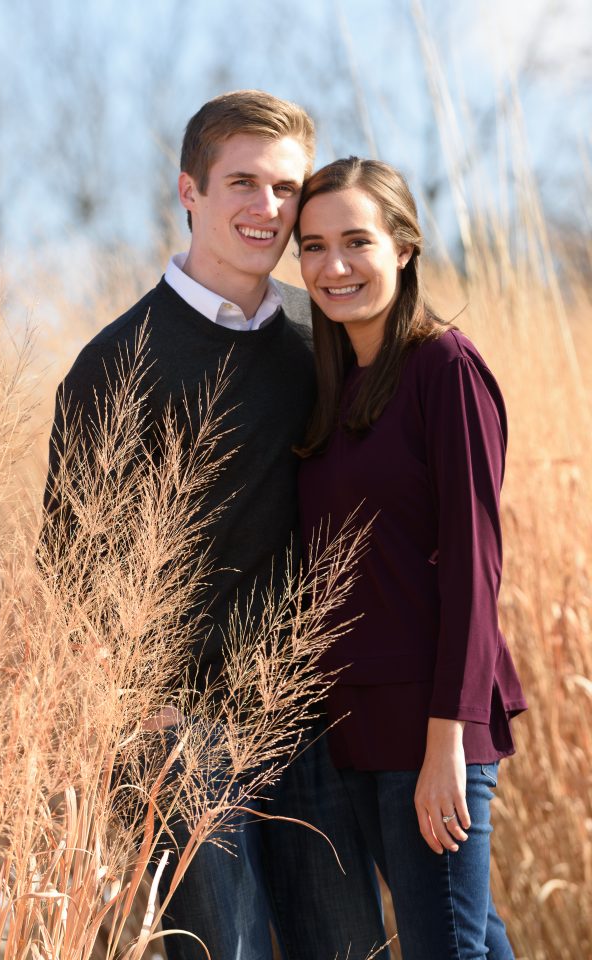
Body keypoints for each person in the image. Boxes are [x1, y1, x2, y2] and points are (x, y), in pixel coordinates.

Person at [42, 95, 385, 960]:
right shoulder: (116, 363)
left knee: (347, 949)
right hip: (182, 736)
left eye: (284, 187)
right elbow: (73, 568)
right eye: (242, 181)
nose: (265, 207)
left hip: (309, 716)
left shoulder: (324, 340)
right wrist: (149, 719)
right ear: (189, 190)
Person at [296, 156, 528, 960]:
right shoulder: (331, 386)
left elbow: (474, 569)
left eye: (355, 241)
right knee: (467, 938)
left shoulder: (444, 369)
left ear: (402, 246)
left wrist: (448, 746)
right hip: (355, 728)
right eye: (313, 245)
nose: (333, 266)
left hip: (429, 732)